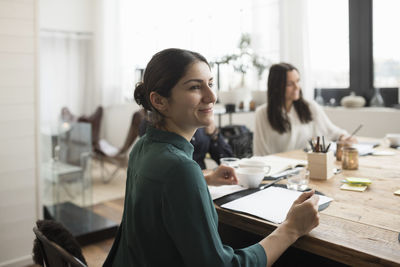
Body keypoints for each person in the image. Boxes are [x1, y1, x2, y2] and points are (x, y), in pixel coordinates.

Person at [103, 48, 320, 267]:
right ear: (159, 101)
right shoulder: (180, 168)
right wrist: (291, 229)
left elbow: (157, 195)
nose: (212, 96)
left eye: (211, 83)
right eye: (195, 87)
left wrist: (203, 180)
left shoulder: (143, 147)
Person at [253, 63, 355, 156]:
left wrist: (343, 137)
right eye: (290, 84)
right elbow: (260, 153)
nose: (297, 87)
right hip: (277, 171)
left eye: (297, 81)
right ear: (276, 87)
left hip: (307, 167)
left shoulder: (310, 107)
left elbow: (332, 131)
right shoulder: (262, 114)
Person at [139, 112, 233, 169]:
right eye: (194, 87)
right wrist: (209, 177)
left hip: (206, 186)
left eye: (210, 85)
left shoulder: (203, 121)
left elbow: (229, 161)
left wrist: (214, 134)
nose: (212, 97)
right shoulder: (155, 123)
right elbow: (162, 174)